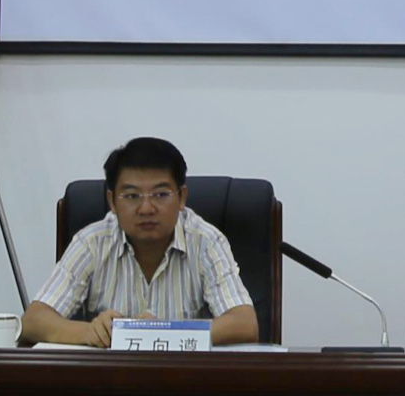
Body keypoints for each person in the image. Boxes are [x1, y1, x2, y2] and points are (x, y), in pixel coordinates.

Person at [23, 135, 259, 346]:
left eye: (161, 194)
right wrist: (93, 332)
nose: (146, 208)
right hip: (110, 376)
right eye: (132, 196)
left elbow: (244, 324)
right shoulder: (92, 242)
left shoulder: (206, 241)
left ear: (182, 198)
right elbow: (33, 320)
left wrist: (159, 333)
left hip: (183, 376)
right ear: (112, 201)